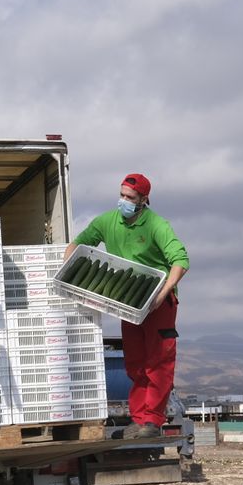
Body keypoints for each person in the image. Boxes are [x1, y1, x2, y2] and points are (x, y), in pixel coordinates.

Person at [66, 172, 189, 439]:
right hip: (129, 302)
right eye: (122, 195)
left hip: (158, 301)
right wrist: (66, 262)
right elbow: (79, 242)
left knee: (158, 361)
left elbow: (180, 260)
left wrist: (163, 293)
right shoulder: (107, 221)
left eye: (130, 197)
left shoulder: (157, 225)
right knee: (135, 362)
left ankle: (153, 422)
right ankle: (138, 419)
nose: (124, 201)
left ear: (144, 200)